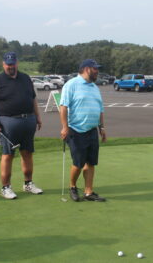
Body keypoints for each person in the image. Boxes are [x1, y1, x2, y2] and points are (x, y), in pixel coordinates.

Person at [0, 52, 43, 200]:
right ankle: (6, 187)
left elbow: (33, 99)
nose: (11, 66)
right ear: (3, 64)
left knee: (27, 153)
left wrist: (37, 117)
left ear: (17, 63)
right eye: (8, 63)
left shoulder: (25, 78)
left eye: (13, 63)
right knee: (8, 155)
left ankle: (28, 184)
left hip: (28, 120)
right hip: (8, 122)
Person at [59, 59, 107, 202]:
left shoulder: (94, 87)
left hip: (92, 130)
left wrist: (102, 128)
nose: (97, 71)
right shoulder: (71, 85)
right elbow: (63, 107)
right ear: (86, 69)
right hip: (76, 129)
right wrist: (65, 127)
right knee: (78, 163)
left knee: (91, 162)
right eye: (95, 68)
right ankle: (72, 186)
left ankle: (88, 192)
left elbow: (100, 110)